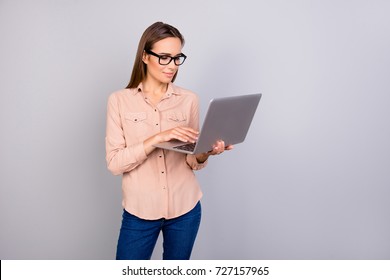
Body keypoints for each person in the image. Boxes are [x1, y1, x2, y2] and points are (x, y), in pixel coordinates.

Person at [105, 21, 232, 260]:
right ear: (145, 56)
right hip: (140, 211)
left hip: (186, 209)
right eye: (164, 57)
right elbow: (114, 163)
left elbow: (192, 160)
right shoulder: (119, 101)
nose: (172, 66)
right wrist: (156, 138)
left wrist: (207, 152)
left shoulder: (189, 99)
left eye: (177, 58)